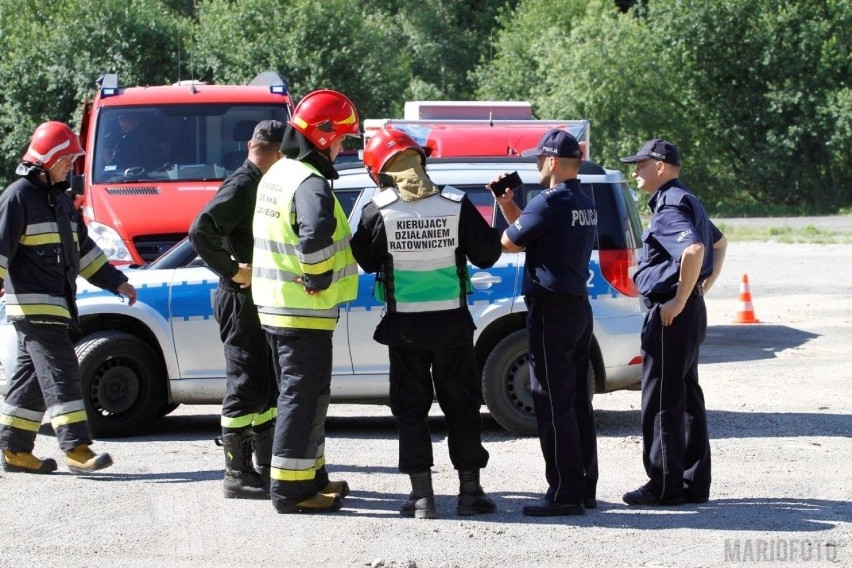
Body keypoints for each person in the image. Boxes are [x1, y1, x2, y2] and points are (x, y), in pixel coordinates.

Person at [350, 128, 502, 519]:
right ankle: (470, 494)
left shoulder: (377, 210)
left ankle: (422, 498)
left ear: (379, 173)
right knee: (462, 406)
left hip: (405, 331)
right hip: (452, 327)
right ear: (421, 161)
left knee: (411, 409)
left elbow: (364, 261)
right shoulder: (456, 203)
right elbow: (486, 256)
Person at [0, 121, 137, 475]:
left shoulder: (60, 200)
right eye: (66, 160)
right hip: (34, 309)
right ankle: (76, 448)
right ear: (48, 158)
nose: (70, 167)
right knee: (63, 373)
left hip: (57, 307)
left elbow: (85, 253)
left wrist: (117, 282)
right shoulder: (17, 197)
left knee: (32, 379)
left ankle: (14, 448)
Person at [251, 90, 360, 514]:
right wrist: (316, 276)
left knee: (307, 396)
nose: (342, 148)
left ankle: (311, 478)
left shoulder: (279, 173)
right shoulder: (309, 183)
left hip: (278, 307)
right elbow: (314, 235)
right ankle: (291, 492)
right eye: (341, 139)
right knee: (302, 397)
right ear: (323, 135)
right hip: (303, 310)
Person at [491, 129, 598, 517]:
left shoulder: (548, 203)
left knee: (552, 401)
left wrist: (499, 209)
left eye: (538, 160)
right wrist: (509, 206)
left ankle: (564, 492)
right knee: (576, 403)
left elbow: (508, 242)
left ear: (552, 161)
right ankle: (584, 486)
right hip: (577, 310)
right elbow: (530, 233)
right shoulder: (583, 200)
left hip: (552, 312)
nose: (536, 165)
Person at [619, 139, 727, 506]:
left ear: (660, 167)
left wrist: (680, 297)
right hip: (687, 310)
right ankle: (694, 483)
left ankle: (664, 485)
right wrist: (698, 288)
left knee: (662, 397)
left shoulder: (669, 206)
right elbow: (720, 242)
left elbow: (695, 249)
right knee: (686, 394)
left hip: (671, 312)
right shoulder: (687, 199)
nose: (636, 171)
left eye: (641, 164)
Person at [188, 120, 284, 499]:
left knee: (264, 386)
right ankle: (236, 474)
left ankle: (261, 466)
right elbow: (201, 229)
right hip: (239, 298)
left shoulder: (256, 182)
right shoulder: (244, 184)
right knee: (246, 385)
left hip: (254, 299)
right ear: (279, 153)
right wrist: (232, 269)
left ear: (251, 144)